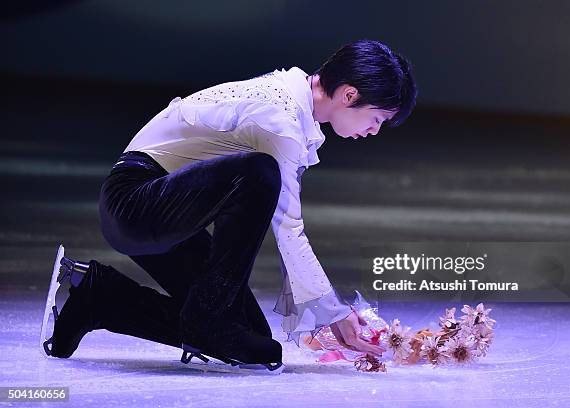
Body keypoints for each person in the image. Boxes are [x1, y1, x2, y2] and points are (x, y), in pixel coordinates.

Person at [40, 39, 417, 373]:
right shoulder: (280, 119)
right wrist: (334, 313)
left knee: (252, 340)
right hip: (135, 204)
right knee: (259, 173)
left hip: (169, 216)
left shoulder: (292, 107)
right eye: (378, 119)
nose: (374, 130)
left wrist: (329, 312)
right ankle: (206, 320)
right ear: (350, 95)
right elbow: (287, 226)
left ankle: (98, 297)